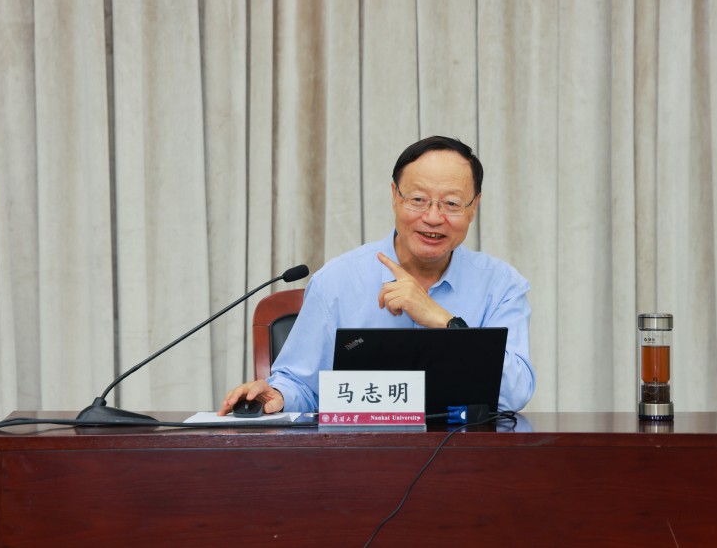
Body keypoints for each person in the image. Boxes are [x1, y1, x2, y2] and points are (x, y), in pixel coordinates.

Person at [218, 136, 535, 415]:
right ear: (395, 196)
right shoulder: (338, 281)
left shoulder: (501, 286)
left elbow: (515, 392)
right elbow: (302, 386)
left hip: (463, 457)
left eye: (451, 203)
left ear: (473, 207)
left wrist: (443, 321)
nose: (433, 217)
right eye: (418, 200)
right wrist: (279, 395)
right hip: (361, 456)